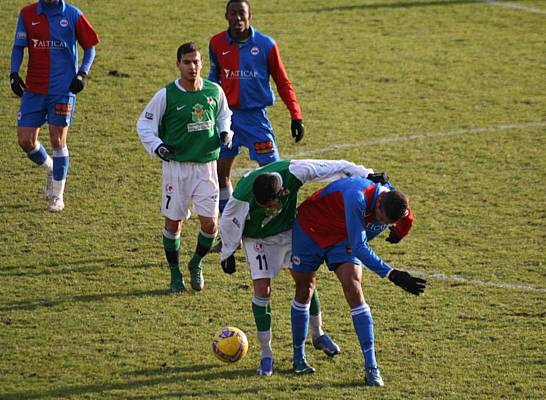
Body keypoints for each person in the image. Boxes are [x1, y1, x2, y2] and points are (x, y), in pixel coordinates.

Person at [219, 159, 389, 377]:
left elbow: (331, 166)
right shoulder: (242, 196)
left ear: (280, 191)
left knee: (306, 281)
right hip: (257, 238)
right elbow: (227, 221)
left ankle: (318, 334)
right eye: (266, 207)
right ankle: (266, 353)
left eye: (271, 204)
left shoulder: (295, 171)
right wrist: (228, 252)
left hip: (289, 231)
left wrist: (365, 174)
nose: (271, 208)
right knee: (262, 289)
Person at [289, 176, 427, 385]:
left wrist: (400, 232)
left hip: (343, 237)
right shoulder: (356, 197)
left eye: (387, 223)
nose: (381, 224)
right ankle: (298, 357)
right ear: (379, 203)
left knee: (354, 289)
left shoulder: (397, 205)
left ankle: (372, 368)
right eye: (382, 219)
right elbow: (360, 246)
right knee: (304, 289)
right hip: (311, 231)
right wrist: (392, 274)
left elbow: (406, 219)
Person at [136, 42, 234, 293]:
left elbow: (224, 115)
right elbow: (144, 125)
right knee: (173, 224)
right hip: (177, 169)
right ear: (178, 64)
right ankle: (175, 273)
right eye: (187, 62)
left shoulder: (214, 91)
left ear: (203, 63)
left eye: (196, 62)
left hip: (206, 167)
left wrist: (225, 131)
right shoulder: (166, 95)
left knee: (211, 225)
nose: (192, 67)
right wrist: (157, 146)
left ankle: (196, 263)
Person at [208, 0, 305, 215]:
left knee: (274, 175)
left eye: (241, 13)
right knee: (219, 173)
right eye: (233, 13)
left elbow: (282, 81)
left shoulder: (266, 45)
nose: (237, 18)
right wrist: (208, 109)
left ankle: (280, 223)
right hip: (227, 120)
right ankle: (230, 228)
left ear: (250, 15)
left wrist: (295, 115)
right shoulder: (216, 43)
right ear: (226, 16)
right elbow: (214, 80)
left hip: (256, 121)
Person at [10, 0, 99, 212]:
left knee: (57, 140)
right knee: (25, 140)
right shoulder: (27, 14)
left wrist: (82, 73)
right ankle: (51, 167)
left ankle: (57, 197)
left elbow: (90, 47)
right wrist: (14, 73)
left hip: (62, 89)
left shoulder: (73, 14)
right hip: (34, 89)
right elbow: (18, 47)